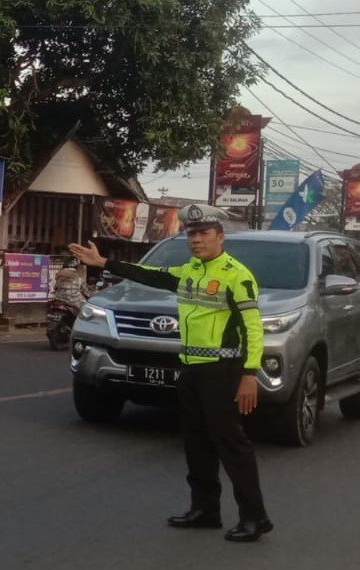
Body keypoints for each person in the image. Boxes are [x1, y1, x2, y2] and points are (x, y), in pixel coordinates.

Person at [69, 203, 271, 543]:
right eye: (192, 235)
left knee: (230, 442)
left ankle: (255, 517)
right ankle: (206, 510)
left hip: (222, 370)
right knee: (195, 441)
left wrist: (249, 373)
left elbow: (253, 328)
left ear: (220, 237)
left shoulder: (237, 275)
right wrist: (104, 262)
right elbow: (150, 275)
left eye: (204, 234)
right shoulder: (189, 271)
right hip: (190, 368)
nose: (196, 240)